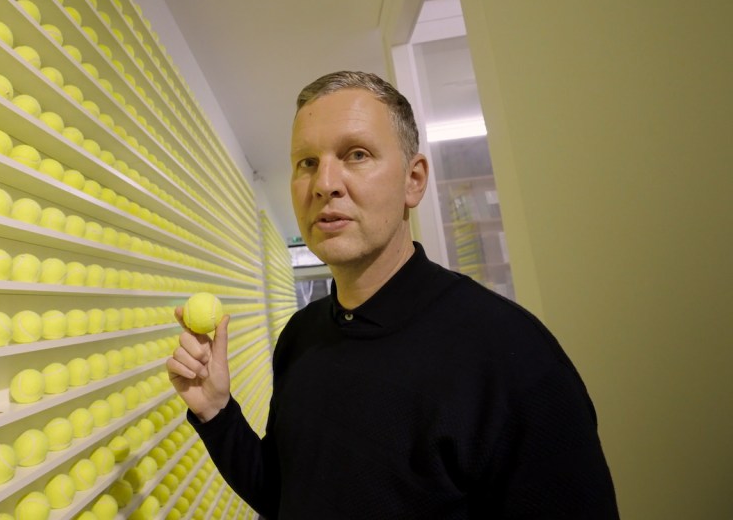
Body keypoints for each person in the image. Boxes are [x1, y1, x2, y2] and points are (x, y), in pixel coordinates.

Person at [167, 71, 619, 519]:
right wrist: (216, 411)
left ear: (413, 180)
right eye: (307, 162)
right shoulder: (300, 336)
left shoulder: (510, 357)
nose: (325, 183)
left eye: (356, 154)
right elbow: (285, 494)